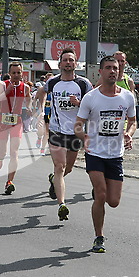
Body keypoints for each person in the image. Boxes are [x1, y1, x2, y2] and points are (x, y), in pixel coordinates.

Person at [74, 55, 137, 253]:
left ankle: (99, 192)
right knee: (100, 195)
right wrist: (82, 135)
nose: (112, 71)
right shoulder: (91, 97)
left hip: (115, 154)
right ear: (100, 72)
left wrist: (128, 133)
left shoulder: (127, 96)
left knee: (114, 201)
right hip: (95, 152)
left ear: (120, 72)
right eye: (108, 67)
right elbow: (77, 124)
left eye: (115, 68)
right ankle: (98, 237)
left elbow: (133, 121)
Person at [45, 48, 93, 220]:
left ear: (75, 63)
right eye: (65, 60)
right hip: (56, 130)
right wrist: (39, 111)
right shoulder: (52, 82)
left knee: (69, 168)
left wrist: (79, 103)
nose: (68, 63)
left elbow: (91, 106)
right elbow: (41, 94)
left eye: (71, 60)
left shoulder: (84, 84)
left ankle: (53, 181)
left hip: (75, 132)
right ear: (60, 64)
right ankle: (62, 204)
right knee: (60, 167)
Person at [0, 62, 32, 194]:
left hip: (16, 122)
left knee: (14, 152)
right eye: (13, 73)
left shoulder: (25, 87)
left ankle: (9, 182)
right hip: (3, 121)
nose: (16, 75)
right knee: (2, 152)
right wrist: (5, 93)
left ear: (22, 73)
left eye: (19, 72)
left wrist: (29, 106)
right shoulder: (2, 85)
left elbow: (29, 98)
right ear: (9, 73)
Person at [34, 72, 54, 156]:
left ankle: (43, 149)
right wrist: (38, 110)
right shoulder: (42, 90)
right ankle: (39, 138)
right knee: (40, 131)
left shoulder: (55, 89)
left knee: (47, 132)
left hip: (51, 113)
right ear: (45, 80)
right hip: (42, 112)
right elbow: (36, 99)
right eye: (48, 79)